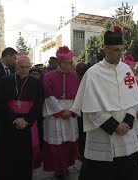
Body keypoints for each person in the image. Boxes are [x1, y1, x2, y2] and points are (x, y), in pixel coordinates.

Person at [72, 25, 138, 180]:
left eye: (122, 49)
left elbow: (134, 99)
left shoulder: (126, 70)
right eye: (116, 50)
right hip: (103, 134)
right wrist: (114, 126)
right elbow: (90, 108)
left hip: (126, 132)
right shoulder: (93, 73)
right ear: (106, 49)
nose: (121, 53)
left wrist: (128, 121)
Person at [0, 55, 43, 180]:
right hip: (9, 123)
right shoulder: (4, 80)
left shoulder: (36, 82)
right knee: (7, 155)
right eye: (21, 67)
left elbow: (39, 104)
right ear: (16, 66)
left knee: (25, 156)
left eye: (27, 67)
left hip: (28, 124)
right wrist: (14, 119)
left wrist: (27, 120)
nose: (24, 70)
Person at [42, 46, 81, 180]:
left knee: (68, 143)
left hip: (71, 111)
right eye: (69, 63)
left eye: (72, 62)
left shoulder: (75, 77)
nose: (72, 65)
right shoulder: (48, 76)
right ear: (60, 63)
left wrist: (72, 111)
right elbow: (48, 96)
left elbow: (80, 96)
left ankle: (66, 166)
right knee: (56, 144)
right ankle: (58, 169)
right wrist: (59, 111)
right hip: (54, 112)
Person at [123, 55, 138, 136]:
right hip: (123, 114)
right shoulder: (119, 81)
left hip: (136, 113)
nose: (129, 71)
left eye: (131, 69)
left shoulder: (137, 83)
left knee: (136, 134)